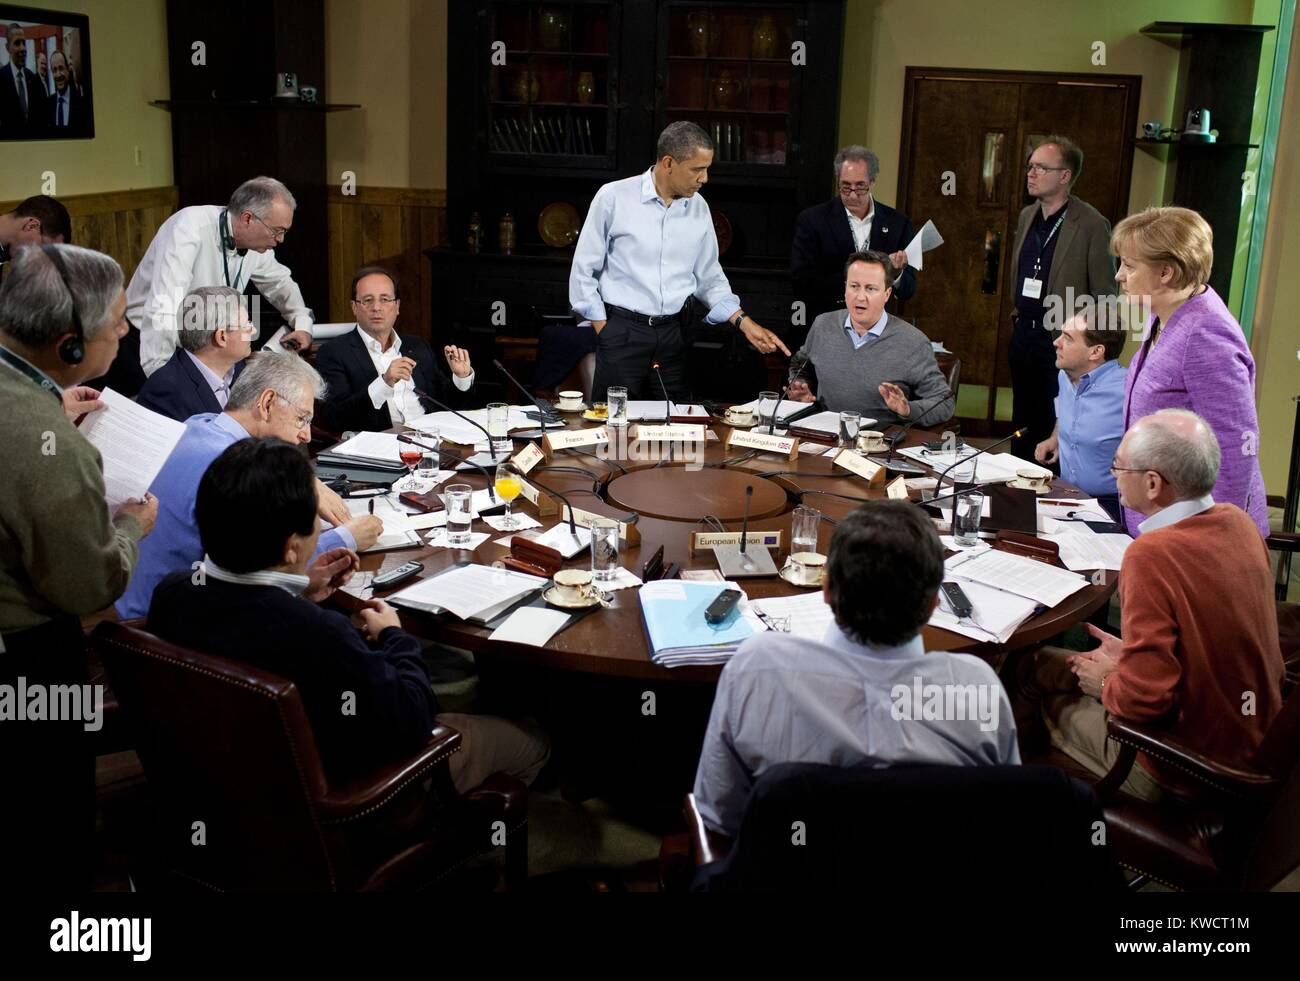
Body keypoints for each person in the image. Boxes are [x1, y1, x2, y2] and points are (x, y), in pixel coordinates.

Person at [149, 438, 551, 790]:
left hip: (223, 780)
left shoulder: (171, 594)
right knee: (532, 739)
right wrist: (396, 638)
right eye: (316, 521)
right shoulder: (322, 636)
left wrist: (301, 592)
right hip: (350, 796)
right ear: (291, 547)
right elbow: (414, 715)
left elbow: (248, 622)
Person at [693, 501, 1019, 837]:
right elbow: (1001, 819)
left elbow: (720, 816)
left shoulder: (757, 668)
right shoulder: (980, 690)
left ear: (826, 590)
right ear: (933, 605)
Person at [0, 244, 158, 890]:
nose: (125, 332)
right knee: (49, 826)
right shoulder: (49, 442)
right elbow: (88, 582)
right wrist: (131, 526)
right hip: (28, 660)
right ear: (69, 345)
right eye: (117, 321)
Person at [1024, 410, 1283, 801]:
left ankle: (1038, 809)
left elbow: (1144, 702)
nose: (1113, 473)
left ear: (1152, 483)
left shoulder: (1150, 555)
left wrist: (1109, 682)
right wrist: (1131, 656)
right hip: (1250, 737)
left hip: (1181, 763)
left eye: (1119, 465)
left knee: (1024, 673)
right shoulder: (1239, 523)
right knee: (1045, 663)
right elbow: (1206, 636)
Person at [116, 352, 381, 620]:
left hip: (141, 603)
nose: (306, 435)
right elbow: (263, 570)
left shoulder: (199, 424)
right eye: (302, 418)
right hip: (168, 623)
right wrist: (347, 537)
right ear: (266, 403)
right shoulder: (234, 467)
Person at [569, 120, 790, 402]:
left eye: (708, 168)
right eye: (697, 169)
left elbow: (710, 277)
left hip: (675, 336)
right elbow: (583, 272)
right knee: (616, 430)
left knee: (676, 430)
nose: (705, 178)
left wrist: (745, 323)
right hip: (622, 334)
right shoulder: (613, 198)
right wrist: (605, 328)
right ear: (668, 163)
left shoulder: (699, 208)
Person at [1114, 206, 1268, 537]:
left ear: (1165, 272)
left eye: (1129, 266)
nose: (1119, 276)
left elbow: (1235, 445)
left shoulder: (1206, 332)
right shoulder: (1162, 314)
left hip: (1197, 535)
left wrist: (1212, 538)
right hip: (1159, 521)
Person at [100, 176, 315, 397]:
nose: (280, 239)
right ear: (248, 218)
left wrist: (301, 322)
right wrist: (162, 377)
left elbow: (280, 283)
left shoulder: (257, 247)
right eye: (276, 230)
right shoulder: (188, 227)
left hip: (204, 350)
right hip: (148, 344)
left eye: (284, 232)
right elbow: (164, 306)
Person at [1008, 136, 1117, 458]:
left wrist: (1094, 349)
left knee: (1054, 426)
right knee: (1022, 423)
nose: (1031, 173)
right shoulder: (1028, 216)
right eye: (1031, 166)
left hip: (1062, 340)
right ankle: (1015, 494)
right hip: (1024, 334)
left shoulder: (1091, 224)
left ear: (1065, 176)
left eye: (1041, 167)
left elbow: (1104, 295)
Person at [787, 251, 953, 427]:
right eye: (854, 286)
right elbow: (800, 366)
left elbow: (944, 402)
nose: (860, 297)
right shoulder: (823, 325)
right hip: (824, 435)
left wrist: (907, 409)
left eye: (870, 288)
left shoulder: (913, 342)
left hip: (879, 443)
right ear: (845, 288)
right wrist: (801, 387)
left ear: (887, 294)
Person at [315, 266, 474, 433]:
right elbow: (334, 418)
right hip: (380, 446)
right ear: (354, 307)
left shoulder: (417, 346)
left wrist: (461, 377)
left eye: (384, 299)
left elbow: (447, 405)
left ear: (397, 306)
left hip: (432, 440)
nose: (376, 307)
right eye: (367, 300)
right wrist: (384, 383)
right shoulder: (334, 353)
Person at [791, 145, 916, 316]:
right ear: (837, 181)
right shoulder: (812, 220)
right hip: (828, 321)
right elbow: (801, 282)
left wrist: (896, 273)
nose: (852, 195)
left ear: (872, 182)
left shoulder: (898, 224)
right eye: (845, 186)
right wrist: (859, 277)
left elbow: (908, 290)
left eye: (860, 186)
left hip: (877, 328)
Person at [1034, 309, 1127, 521]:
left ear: (1095, 352)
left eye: (1067, 338)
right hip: (1065, 495)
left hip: (1110, 506)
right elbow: (1065, 410)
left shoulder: (1129, 390)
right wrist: (1055, 438)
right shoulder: (1064, 375)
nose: (1056, 342)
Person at [135, 286, 254, 422]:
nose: (253, 330)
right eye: (247, 326)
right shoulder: (165, 393)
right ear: (222, 337)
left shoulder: (240, 368)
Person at [0, 24, 48, 134]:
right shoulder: (1, 79)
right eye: (17, 43)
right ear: (7, 48)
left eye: (24, 43)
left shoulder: (33, 78)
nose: (23, 48)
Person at [47, 50, 87, 136]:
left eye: (61, 68)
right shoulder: (47, 105)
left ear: (68, 70)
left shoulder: (82, 104)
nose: (58, 74)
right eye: (54, 70)